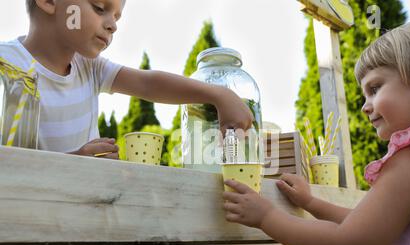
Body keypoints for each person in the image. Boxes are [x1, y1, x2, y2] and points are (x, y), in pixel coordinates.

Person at [223, 20, 410, 245]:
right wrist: (311, 203)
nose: (365, 106)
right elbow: (368, 225)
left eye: (375, 88)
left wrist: (267, 216)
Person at [0, 0, 253, 159]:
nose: (112, 25)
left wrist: (219, 94)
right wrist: (74, 161)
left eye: (116, 17)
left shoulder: (89, 67)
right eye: (100, 8)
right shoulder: (6, 64)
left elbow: (147, 83)